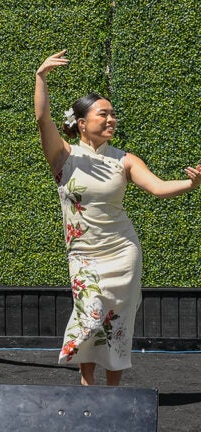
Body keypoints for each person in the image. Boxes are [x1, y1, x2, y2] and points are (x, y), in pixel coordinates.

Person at [35, 50, 201, 386]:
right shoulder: (63, 155)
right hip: (83, 254)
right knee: (90, 315)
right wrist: (40, 78)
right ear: (82, 123)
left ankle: (113, 394)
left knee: (118, 322)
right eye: (103, 114)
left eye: (113, 115)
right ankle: (87, 384)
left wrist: (191, 183)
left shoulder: (124, 159)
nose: (111, 120)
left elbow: (156, 188)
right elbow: (42, 119)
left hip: (123, 251)